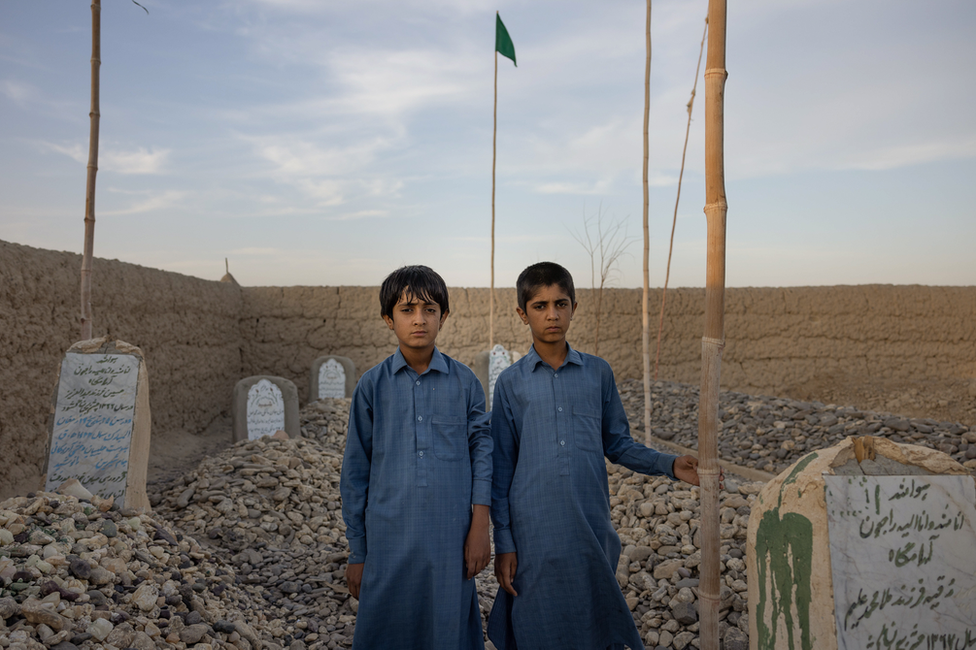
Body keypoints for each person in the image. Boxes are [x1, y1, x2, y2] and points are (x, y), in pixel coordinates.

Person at [488, 261, 702, 650]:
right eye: (540, 306)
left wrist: (669, 464)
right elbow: (501, 467)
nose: (552, 314)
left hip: (590, 518)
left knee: (591, 613)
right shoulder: (510, 383)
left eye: (561, 303)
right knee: (535, 613)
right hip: (532, 527)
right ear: (522, 314)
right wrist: (504, 541)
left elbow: (617, 443)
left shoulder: (597, 373)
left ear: (574, 306)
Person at [340, 265, 492, 650]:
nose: (419, 319)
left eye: (429, 309)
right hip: (388, 537)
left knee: (448, 627)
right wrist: (358, 551)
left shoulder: (465, 383)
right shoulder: (372, 386)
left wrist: (479, 528)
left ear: (444, 315)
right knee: (385, 629)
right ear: (388, 319)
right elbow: (356, 472)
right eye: (407, 310)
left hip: (449, 537)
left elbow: (483, 458)